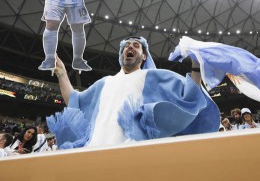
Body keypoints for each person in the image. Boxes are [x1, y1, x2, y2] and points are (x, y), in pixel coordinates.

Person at [47, 36, 220, 149]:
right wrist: (61, 72)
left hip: (134, 152)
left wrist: (196, 65)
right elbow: (74, 100)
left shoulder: (154, 77)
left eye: (136, 46)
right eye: (127, 46)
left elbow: (191, 97)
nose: (130, 47)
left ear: (144, 56)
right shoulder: (104, 83)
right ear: (122, 54)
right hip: (94, 152)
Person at [38, 0, 93, 74]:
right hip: (54, 0)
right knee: (51, 25)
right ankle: (49, 59)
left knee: (78, 28)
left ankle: (78, 60)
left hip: (75, 1)